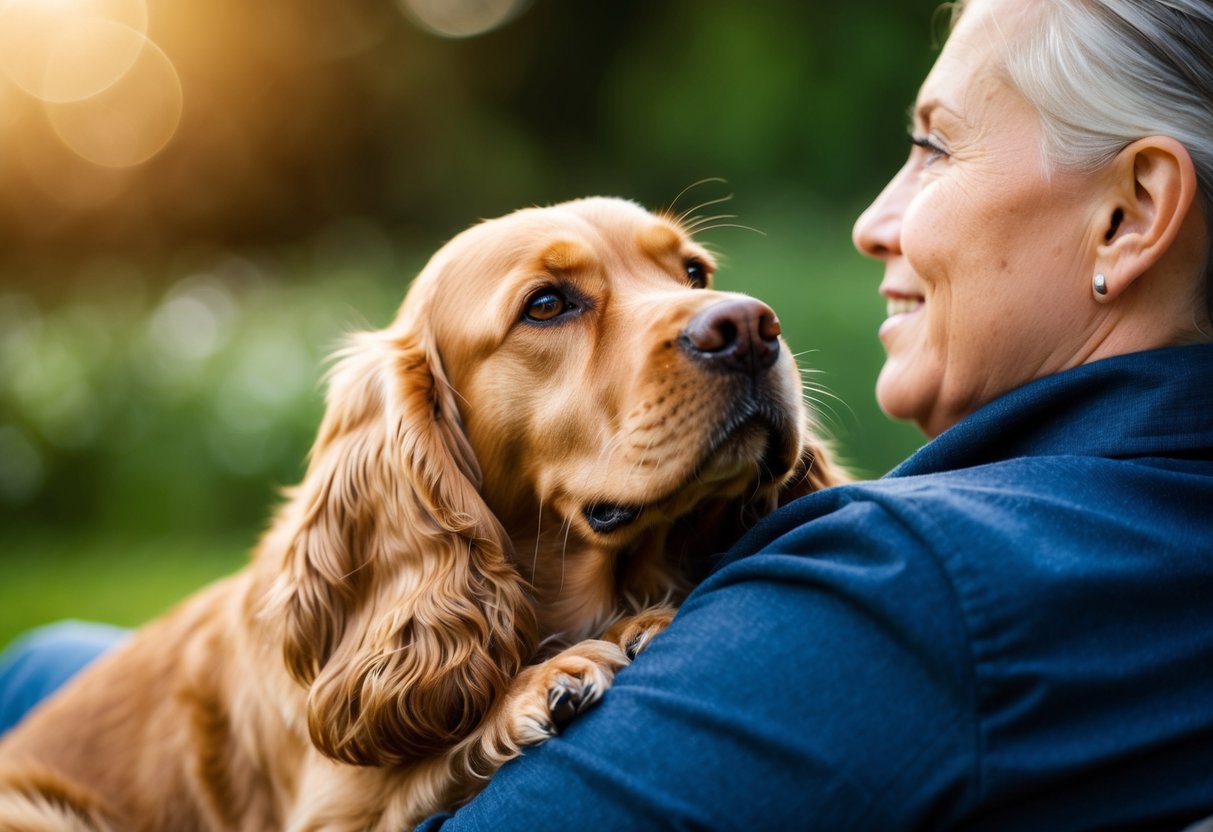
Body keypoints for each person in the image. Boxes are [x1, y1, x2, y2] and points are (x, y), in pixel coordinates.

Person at [3, 0, 1213, 827]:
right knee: (58, 665)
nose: (724, 311)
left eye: (932, 148)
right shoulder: (1142, 518)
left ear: (1130, 214)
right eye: (555, 305)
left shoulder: (903, 604)